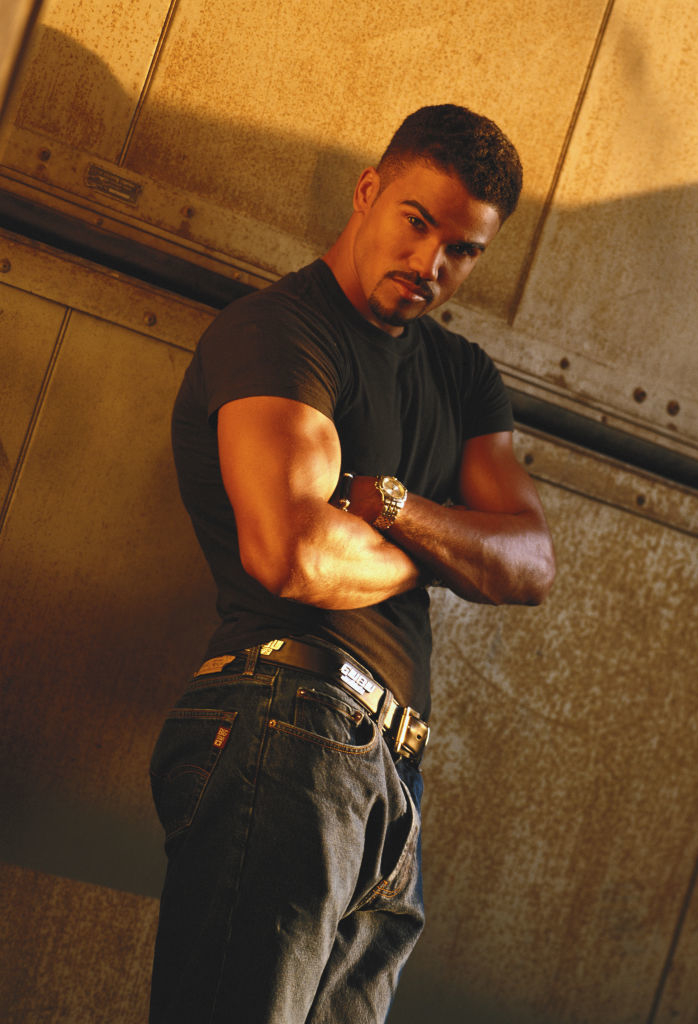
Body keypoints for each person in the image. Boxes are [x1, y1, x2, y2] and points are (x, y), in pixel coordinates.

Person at [149, 104, 556, 1024]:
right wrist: (448, 554)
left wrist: (395, 508)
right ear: (369, 190)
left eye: (464, 249)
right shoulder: (280, 331)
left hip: (395, 779)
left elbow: (529, 564)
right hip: (285, 723)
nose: (431, 265)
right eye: (417, 222)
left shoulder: (463, 375)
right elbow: (293, 553)